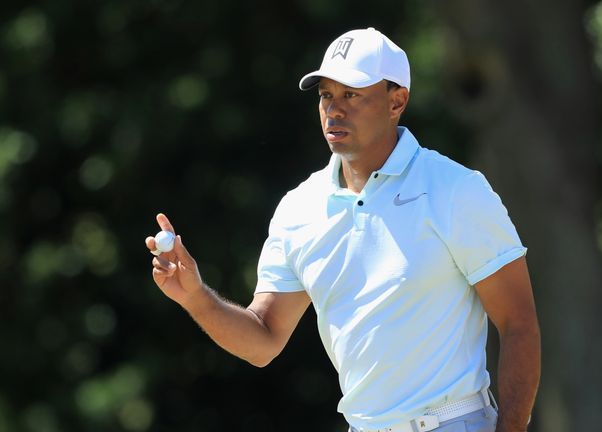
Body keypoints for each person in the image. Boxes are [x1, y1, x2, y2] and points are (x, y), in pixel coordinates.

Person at [146, 27, 540, 432]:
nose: (334, 109)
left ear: (396, 101)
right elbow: (263, 340)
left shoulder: (455, 189)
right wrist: (196, 298)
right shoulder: (299, 208)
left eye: (351, 94)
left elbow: (519, 325)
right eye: (326, 95)